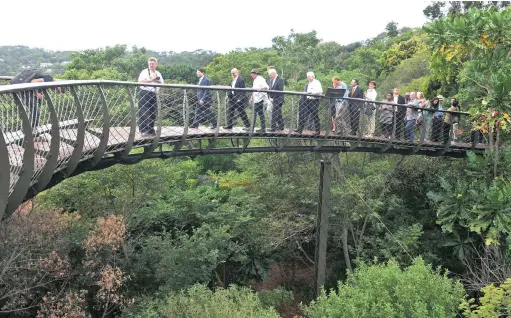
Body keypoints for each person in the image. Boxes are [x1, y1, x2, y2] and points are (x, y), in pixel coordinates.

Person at [137, 57, 164, 137]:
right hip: (144, 92)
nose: (151, 65)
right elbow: (139, 82)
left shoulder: (158, 73)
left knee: (153, 112)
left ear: (156, 64)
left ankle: (150, 129)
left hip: (154, 93)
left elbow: (162, 83)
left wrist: (156, 79)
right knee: (143, 111)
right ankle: (143, 130)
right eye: (149, 64)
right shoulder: (144, 72)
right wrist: (150, 79)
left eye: (152, 63)